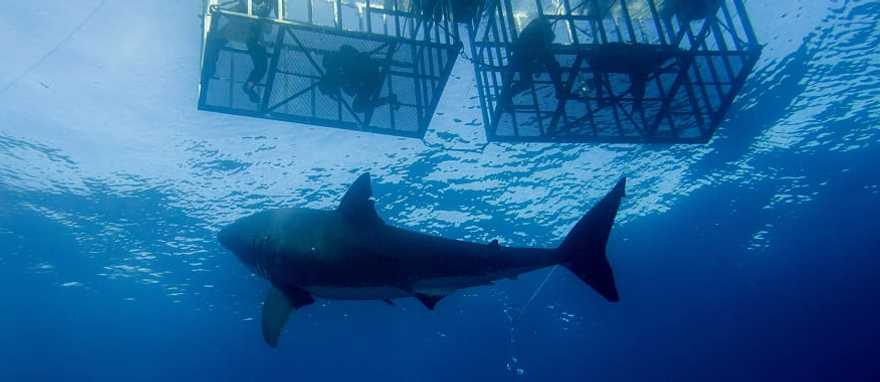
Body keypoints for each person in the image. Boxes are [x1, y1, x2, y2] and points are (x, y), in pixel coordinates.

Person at [203, 0, 275, 103]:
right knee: (261, 65)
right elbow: (268, 30)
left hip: (243, 35)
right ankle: (249, 85)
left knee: (215, 44)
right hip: (247, 36)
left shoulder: (256, 11)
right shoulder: (248, 9)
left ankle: (210, 69)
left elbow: (268, 29)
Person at [587, 42, 684, 110]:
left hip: (634, 61)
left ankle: (637, 103)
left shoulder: (600, 59)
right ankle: (637, 103)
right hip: (635, 60)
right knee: (640, 76)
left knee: (640, 76)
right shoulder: (646, 60)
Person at [499, 17, 566, 112]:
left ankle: (506, 98)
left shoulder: (531, 31)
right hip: (525, 57)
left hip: (524, 57)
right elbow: (549, 39)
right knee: (551, 65)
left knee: (525, 83)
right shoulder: (537, 31)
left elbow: (547, 41)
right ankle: (559, 90)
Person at [318, 45, 398, 115]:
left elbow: (353, 84)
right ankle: (387, 99)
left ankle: (388, 99)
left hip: (368, 76)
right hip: (368, 76)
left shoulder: (336, 69)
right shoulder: (338, 75)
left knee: (358, 106)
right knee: (357, 107)